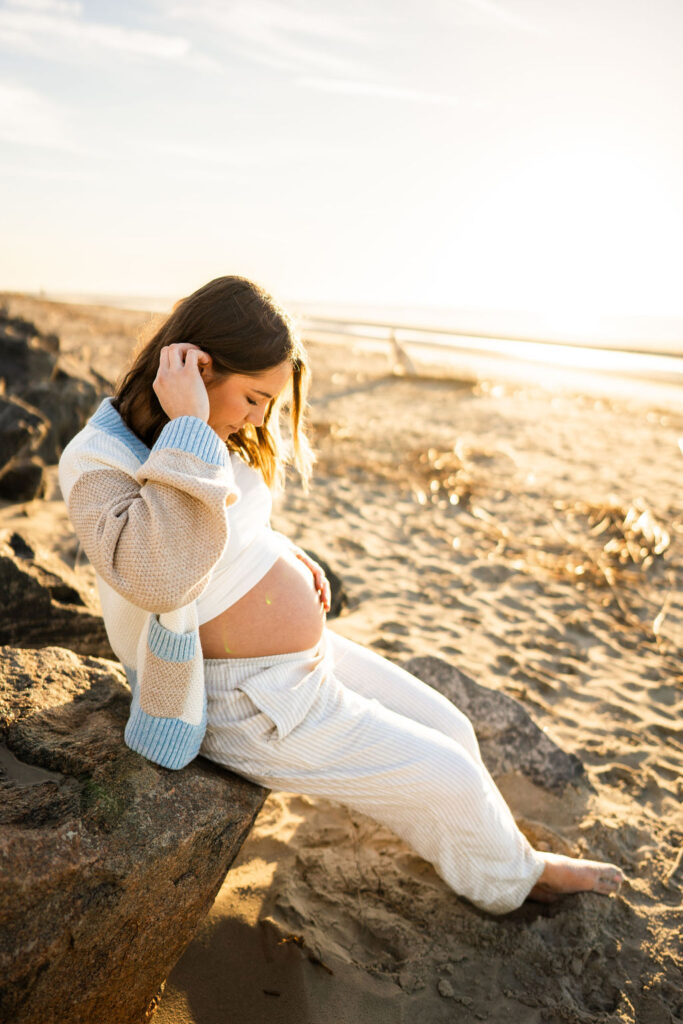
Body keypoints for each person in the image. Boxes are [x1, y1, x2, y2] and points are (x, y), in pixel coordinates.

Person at [58, 275, 624, 915]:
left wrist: (283, 554)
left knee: (453, 728)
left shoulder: (220, 430)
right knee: (452, 777)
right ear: (199, 366)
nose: (260, 418)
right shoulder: (97, 460)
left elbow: (231, 519)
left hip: (299, 660)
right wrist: (188, 424)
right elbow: (160, 574)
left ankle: (482, 850)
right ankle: (515, 882)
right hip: (239, 694)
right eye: (254, 397)